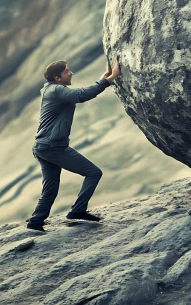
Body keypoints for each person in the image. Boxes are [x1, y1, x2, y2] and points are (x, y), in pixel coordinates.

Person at [25, 59, 121, 232]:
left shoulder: (53, 90)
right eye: (66, 71)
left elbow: (80, 93)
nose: (71, 73)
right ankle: (78, 210)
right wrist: (110, 79)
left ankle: (36, 222)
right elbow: (81, 95)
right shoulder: (56, 90)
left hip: (43, 147)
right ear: (58, 78)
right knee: (93, 173)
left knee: (50, 189)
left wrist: (103, 79)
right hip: (53, 147)